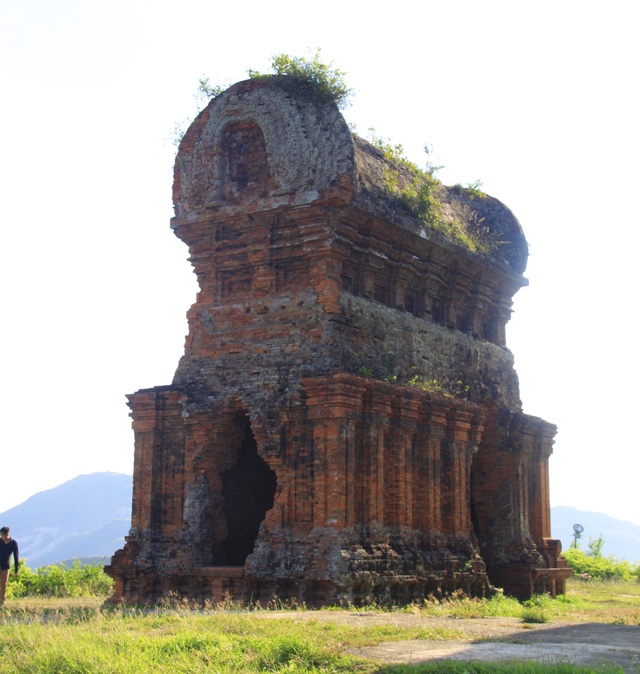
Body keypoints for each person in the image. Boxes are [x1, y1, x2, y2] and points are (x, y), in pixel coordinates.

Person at [0, 526, 19, 605]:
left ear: (7, 534)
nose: (1, 536)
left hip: (5, 566)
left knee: (3, 585)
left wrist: (16, 569)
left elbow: (16, 556)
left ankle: (2, 602)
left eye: (2, 534)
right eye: (1, 534)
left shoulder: (13, 543)